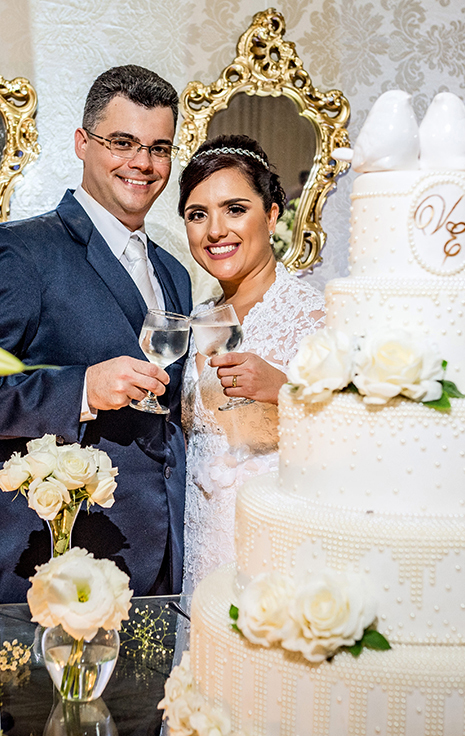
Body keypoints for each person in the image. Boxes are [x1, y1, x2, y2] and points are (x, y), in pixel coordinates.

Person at [0, 65, 193, 604]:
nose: (143, 163)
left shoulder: (175, 273)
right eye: (123, 142)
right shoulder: (19, 250)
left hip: (160, 561)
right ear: (83, 144)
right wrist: (82, 389)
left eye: (159, 148)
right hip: (50, 555)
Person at [178, 135, 324, 586]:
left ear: (272, 214)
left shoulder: (315, 317)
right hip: (199, 543)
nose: (215, 230)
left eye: (235, 209)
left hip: (274, 545)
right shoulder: (196, 318)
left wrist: (284, 390)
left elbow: (363, 438)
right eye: (197, 215)